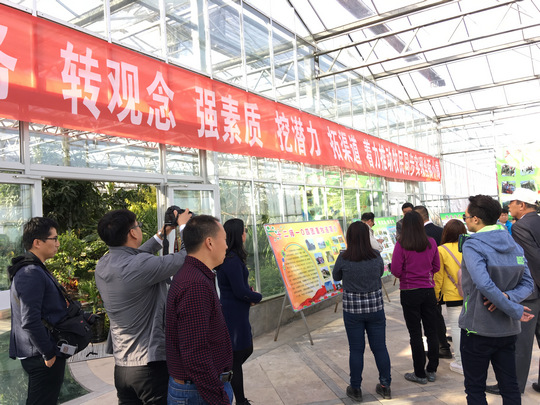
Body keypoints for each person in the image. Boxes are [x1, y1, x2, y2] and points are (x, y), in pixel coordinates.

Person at [95, 208, 191, 404]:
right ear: (132, 233)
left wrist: (162, 234)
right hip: (149, 367)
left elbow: (135, 256)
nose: (139, 228)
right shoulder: (140, 265)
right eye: (138, 225)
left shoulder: (103, 264)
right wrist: (184, 226)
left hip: (122, 368)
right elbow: (187, 257)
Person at [460, 194, 535, 404]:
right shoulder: (513, 243)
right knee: (510, 386)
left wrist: (510, 304)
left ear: (476, 219)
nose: (465, 221)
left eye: (465, 217)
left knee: (475, 388)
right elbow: (528, 283)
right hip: (507, 329)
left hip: (477, 328)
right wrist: (508, 299)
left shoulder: (472, 245)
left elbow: (483, 284)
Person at [166, 215, 233, 404]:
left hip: (198, 389)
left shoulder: (196, 276)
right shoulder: (195, 284)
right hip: (197, 393)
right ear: (210, 242)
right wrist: (219, 399)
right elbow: (195, 354)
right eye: (224, 239)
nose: (226, 246)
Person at [486, 188, 540, 396]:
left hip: (531, 292)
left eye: (512, 202)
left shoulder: (520, 227)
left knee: (522, 343)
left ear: (522, 205)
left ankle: (513, 386)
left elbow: (529, 261)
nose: (509, 207)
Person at [8, 217, 68, 405]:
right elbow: (30, 320)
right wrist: (48, 354)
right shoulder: (30, 272)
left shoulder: (34, 269)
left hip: (40, 352)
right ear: (37, 242)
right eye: (54, 238)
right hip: (39, 354)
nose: (58, 244)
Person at [333, 221, 392, 402]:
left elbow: (336, 276)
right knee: (380, 347)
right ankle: (385, 386)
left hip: (353, 310)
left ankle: (356, 388)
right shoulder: (376, 256)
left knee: (356, 349)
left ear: (349, 237)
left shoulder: (344, 257)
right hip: (375, 308)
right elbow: (379, 274)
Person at [391, 210, 440, 384]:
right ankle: (432, 369)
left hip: (409, 291)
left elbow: (396, 271)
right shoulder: (431, 242)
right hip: (428, 290)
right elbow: (436, 266)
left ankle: (419, 373)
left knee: (415, 334)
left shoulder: (401, 244)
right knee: (431, 331)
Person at [216, 219, 262, 405]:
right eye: (244, 231)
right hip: (233, 314)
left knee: (242, 351)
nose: (246, 234)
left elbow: (239, 287)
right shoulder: (232, 260)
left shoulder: (231, 257)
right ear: (237, 234)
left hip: (237, 311)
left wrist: (248, 294)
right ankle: (240, 401)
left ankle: (238, 396)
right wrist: (257, 296)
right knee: (238, 354)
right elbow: (239, 291)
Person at [414, 205, 451, 359]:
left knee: (433, 315)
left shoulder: (422, 235)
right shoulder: (441, 231)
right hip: (446, 278)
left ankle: (442, 346)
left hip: (430, 281)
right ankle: (443, 343)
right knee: (437, 314)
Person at [435, 219, 467, 374]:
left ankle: (461, 362)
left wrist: (436, 294)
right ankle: (473, 359)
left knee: (456, 328)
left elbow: (438, 276)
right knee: (471, 328)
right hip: (472, 294)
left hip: (453, 294)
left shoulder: (441, 250)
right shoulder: (469, 246)